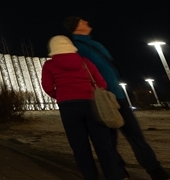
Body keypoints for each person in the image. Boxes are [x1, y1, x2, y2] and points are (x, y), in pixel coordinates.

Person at [66, 16, 170, 180]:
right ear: (76, 27)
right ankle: (119, 171)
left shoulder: (94, 44)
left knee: (135, 135)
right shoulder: (77, 47)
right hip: (103, 99)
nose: (86, 22)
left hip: (119, 96)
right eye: (82, 21)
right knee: (109, 141)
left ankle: (154, 169)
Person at [42, 35, 125, 180]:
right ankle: (114, 176)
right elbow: (101, 83)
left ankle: (90, 176)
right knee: (103, 145)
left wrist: (61, 95)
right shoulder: (84, 62)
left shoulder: (49, 65)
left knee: (79, 145)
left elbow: (47, 87)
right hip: (91, 103)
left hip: (68, 107)